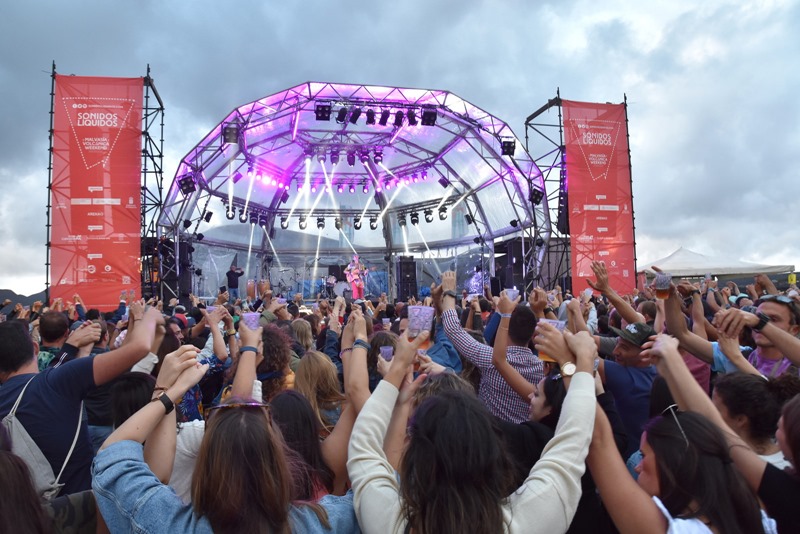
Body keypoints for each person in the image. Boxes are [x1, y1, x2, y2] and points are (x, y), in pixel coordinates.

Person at [347, 324, 597, 533]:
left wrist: (396, 373)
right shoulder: (526, 523)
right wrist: (580, 364)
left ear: (414, 461)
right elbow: (572, 441)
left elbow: (364, 444)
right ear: (495, 456)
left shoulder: (388, 523)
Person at [92, 342, 359, 533]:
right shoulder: (318, 523)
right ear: (279, 460)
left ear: (207, 462)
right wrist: (361, 356)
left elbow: (113, 452)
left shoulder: (169, 524)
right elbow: (378, 496)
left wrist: (168, 391)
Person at [0, 306, 160, 496]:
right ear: (35, 348)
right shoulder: (55, 382)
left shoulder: (49, 384)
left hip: (18, 509)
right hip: (75, 507)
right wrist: (148, 314)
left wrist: (78, 349)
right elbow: (140, 347)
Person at [434, 271, 544, 423]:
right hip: (529, 435)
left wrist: (449, 292)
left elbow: (453, 329)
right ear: (533, 334)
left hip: (494, 434)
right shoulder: (543, 367)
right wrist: (541, 312)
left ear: (502, 329)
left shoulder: (490, 358)